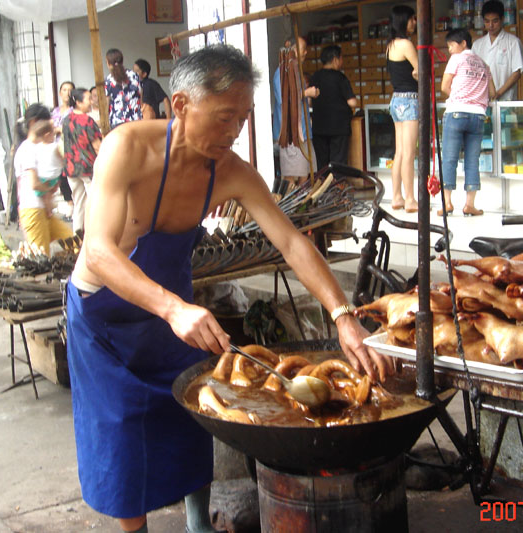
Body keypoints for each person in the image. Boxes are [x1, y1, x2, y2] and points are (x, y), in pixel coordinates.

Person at [66, 44, 391, 533]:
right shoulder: (127, 147)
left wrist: (344, 315)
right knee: (122, 441)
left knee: (192, 421)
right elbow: (97, 252)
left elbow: (291, 242)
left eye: (242, 119)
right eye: (224, 118)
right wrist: (174, 309)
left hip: (174, 316)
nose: (234, 131)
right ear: (180, 104)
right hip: (105, 319)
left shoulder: (231, 171)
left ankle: (199, 525)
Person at [438, 29, 496, 217]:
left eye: (451, 46)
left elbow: (444, 86)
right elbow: (492, 92)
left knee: (449, 159)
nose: (449, 50)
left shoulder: (457, 59)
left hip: (456, 113)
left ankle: (447, 203)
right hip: (478, 116)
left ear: (463, 43)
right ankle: (469, 205)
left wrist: (460, 97)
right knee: (472, 160)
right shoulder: (484, 64)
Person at [14, 104, 74, 255]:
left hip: (43, 209)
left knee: (73, 242)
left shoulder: (39, 147)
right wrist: (50, 189)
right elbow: (34, 184)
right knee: (41, 257)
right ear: (34, 123)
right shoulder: (27, 149)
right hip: (32, 209)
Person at [272, 36, 319, 184]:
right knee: (291, 178)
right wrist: (306, 93)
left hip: (304, 133)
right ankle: (289, 207)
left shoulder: (297, 72)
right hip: (291, 135)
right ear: (290, 49)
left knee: (306, 175)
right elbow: (285, 101)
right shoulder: (281, 73)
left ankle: (303, 206)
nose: (305, 52)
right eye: (302, 48)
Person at [386, 5, 420, 213]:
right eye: (411, 19)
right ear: (403, 21)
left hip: (396, 100)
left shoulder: (390, 45)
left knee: (399, 152)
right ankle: (410, 200)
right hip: (410, 100)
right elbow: (420, 70)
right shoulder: (406, 44)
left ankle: (397, 196)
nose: (414, 23)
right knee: (409, 153)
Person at [307, 44, 359, 171]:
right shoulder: (340, 78)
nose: (342, 62)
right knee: (338, 162)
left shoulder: (315, 77)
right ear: (335, 59)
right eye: (341, 58)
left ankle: (324, 188)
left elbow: (308, 101)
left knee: (322, 164)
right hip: (339, 128)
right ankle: (337, 188)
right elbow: (352, 102)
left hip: (319, 127)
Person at [62, 87, 102, 232]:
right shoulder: (87, 121)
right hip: (87, 167)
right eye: (88, 99)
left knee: (78, 203)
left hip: (71, 168)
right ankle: (93, 234)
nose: (91, 102)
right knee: (94, 203)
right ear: (78, 102)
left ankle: (77, 236)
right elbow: (97, 146)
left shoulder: (66, 120)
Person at [471, 0, 523, 101]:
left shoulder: (513, 42)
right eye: (487, 21)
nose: (490, 25)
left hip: (506, 99)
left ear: (502, 19)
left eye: (495, 21)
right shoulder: (477, 45)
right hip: (482, 100)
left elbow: (516, 72)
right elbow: (473, 73)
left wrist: (498, 93)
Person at [51, 80, 76, 217]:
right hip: (57, 148)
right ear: (60, 93)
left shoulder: (74, 110)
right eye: (64, 90)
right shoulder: (55, 111)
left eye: (70, 90)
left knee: (71, 175)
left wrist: (61, 129)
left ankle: (75, 204)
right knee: (61, 177)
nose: (67, 93)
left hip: (70, 147)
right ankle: (69, 203)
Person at [105, 48, 143, 128]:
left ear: (108, 63)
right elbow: (141, 97)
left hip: (117, 122)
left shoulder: (108, 81)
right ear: (122, 61)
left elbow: (106, 105)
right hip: (136, 120)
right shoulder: (134, 76)